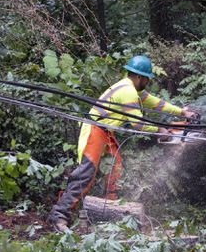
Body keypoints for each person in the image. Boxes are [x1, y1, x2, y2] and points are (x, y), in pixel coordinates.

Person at [48, 55, 195, 232]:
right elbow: (138, 124)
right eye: (147, 79)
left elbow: (157, 103)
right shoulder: (128, 91)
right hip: (94, 130)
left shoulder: (133, 89)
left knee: (115, 170)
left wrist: (182, 113)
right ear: (141, 77)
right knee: (85, 174)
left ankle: (109, 212)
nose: (147, 83)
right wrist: (160, 130)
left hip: (105, 132)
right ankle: (59, 215)